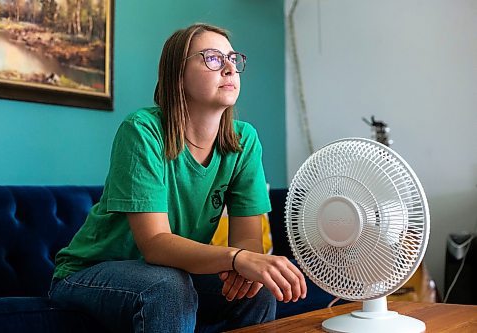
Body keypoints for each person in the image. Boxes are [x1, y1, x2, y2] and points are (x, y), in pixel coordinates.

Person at [49, 23, 307, 333]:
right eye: (212, 58)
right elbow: (156, 245)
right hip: (88, 274)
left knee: (259, 289)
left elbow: (247, 241)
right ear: (178, 76)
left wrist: (247, 266)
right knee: (167, 285)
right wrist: (236, 259)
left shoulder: (244, 140)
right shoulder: (142, 131)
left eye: (232, 58)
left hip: (170, 273)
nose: (229, 68)